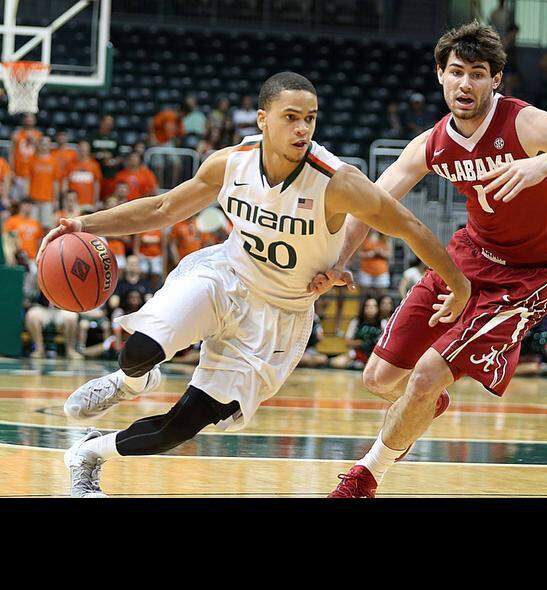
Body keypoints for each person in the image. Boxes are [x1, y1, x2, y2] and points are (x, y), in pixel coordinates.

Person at [45, 71, 470, 498]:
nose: (303, 128)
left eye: (311, 118)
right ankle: (131, 382)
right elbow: (162, 208)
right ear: (263, 119)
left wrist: (458, 284)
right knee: (138, 350)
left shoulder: (337, 182)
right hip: (224, 277)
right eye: (291, 117)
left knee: (177, 429)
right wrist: (83, 223)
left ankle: (87, 453)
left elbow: (410, 227)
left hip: (279, 317)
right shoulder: (230, 163)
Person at [314, 22, 547, 498]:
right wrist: (340, 260)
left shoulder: (526, 125)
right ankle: (428, 401)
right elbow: (373, 204)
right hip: (470, 257)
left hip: (532, 275)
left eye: (478, 74)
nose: (466, 84)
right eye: (457, 72)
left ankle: (366, 476)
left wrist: (544, 163)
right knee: (380, 379)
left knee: (423, 376)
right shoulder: (431, 143)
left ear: (496, 80)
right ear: (440, 75)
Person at [330, 296, 389, 369]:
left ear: (377, 308)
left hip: (375, 355)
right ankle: (356, 364)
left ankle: (361, 365)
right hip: (357, 353)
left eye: (373, 306)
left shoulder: (382, 323)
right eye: (367, 306)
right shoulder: (356, 321)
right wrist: (359, 343)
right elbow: (347, 341)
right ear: (363, 308)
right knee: (337, 363)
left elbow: (387, 343)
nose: (370, 309)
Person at [9, 113, 42, 202]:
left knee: (30, 201)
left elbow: (42, 154)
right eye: (27, 118)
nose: (29, 120)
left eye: (31, 118)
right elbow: (11, 153)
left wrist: (35, 142)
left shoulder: (38, 135)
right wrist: (11, 170)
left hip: (33, 175)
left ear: (35, 120)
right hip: (18, 174)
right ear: (24, 120)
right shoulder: (17, 134)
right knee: (15, 201)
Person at [28, 138, 61, 228]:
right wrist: (27, 197)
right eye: (42, 143)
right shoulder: (32, 160)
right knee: (33, 225)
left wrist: (56, 199)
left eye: (46, 144)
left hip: (48, 199)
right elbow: (28, 179)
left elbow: (56, 182)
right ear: (38, 145)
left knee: (47, 226)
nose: (44, 146)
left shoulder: (54, 162)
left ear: (50, 146)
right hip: (33, 199)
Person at [65, 141, 103, 212]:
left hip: (88, 203)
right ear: (77, 149)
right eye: (81, 149)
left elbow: (96, 185)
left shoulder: (94, 165)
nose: (83, 151)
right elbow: (65, 183)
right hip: (72, 203)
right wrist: (65, 200)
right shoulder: (70, 164)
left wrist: (96, 200)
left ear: (88, 150)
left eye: (85, 149)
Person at [356, 229, 392, 293]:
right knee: (365, 294)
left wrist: (380, 252)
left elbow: (389, 254)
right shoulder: (364, 237)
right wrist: (369, 254)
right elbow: (358, 253)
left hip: (381, 271)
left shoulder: (385, 238)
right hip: (366, 270)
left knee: (382, 295)